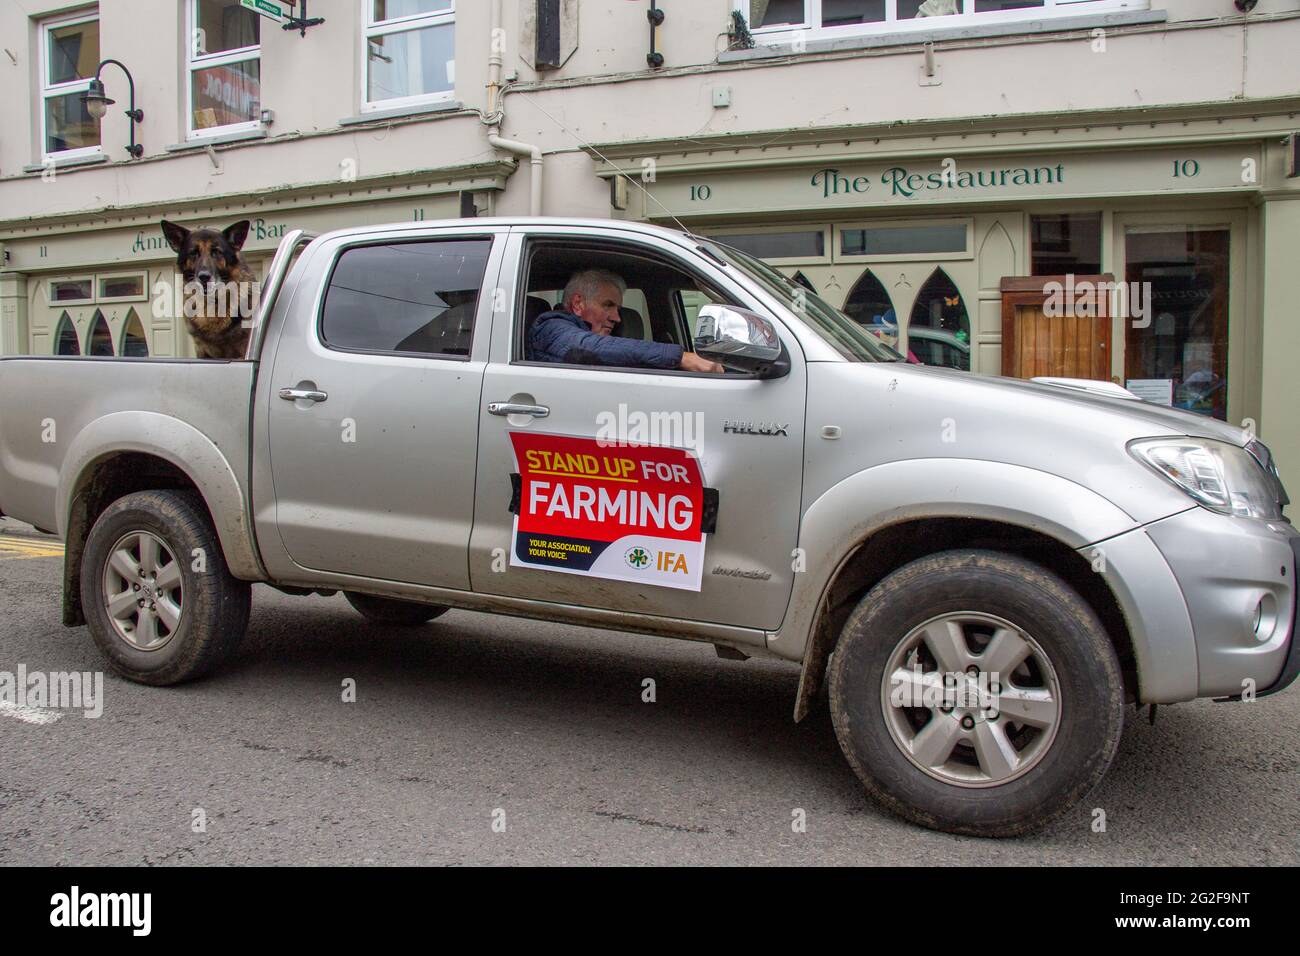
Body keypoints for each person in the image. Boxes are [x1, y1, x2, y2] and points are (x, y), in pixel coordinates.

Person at [527, 269, 724, 373]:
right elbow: (587, 348)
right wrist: (681, 357)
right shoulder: (550, 327)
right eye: (608, 305)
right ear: (578, 304)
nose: (617, 318)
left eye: (618, 309)